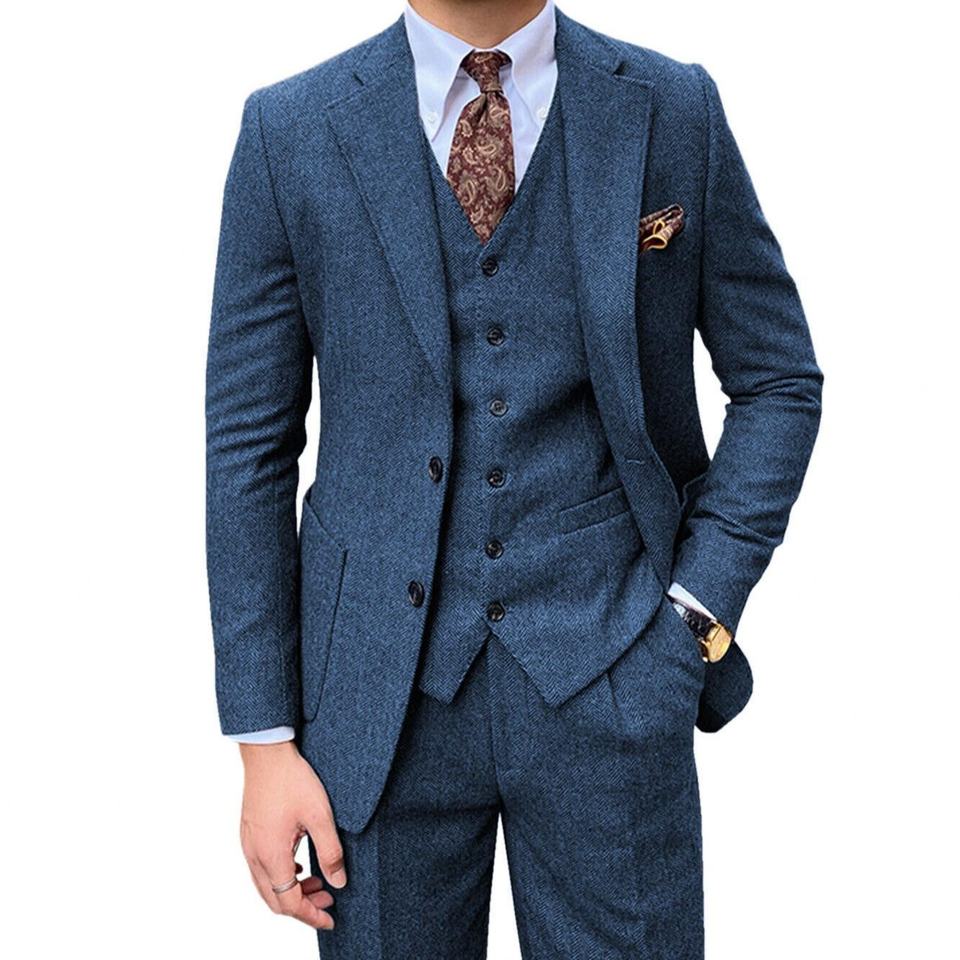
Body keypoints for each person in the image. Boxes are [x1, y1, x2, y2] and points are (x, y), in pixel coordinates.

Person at [205, 0, 823, 955]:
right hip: (374, 702)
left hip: (615, 671)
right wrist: (263, 739)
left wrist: (695, 615)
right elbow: (247, 447)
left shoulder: (671, 107)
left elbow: (779, 379)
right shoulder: (290, 131)